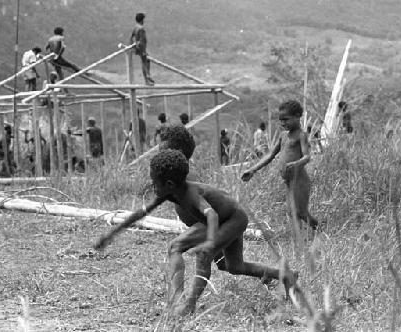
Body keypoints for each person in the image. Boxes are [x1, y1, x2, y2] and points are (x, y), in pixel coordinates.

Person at [99, 149, 298, 316]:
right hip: (229, 217)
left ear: (168, 184)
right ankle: (284, 274)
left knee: (182, 248)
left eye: (154, 182)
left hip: (231, 219)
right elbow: (140, 213)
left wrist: (210, 243)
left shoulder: (190, 194)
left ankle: (185, 304)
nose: (152, 186)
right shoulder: (170, 193)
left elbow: (211, 215)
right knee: (233, 266)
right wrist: (112, 233)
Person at [242, 100, 318, 230]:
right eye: (281, 120)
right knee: (292, 212)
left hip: (299, 180)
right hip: (289, 181)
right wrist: (252, 170)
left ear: (298, 116)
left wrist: (296, 163)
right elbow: (270, 155)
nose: (283, 123)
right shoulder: (283, 136)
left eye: (286, 119)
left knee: (301, 212)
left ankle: (317, 228)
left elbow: (307, 157)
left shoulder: (301, 135)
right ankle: (299, 240)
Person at [46, 27, 81, 92]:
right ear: (60, 32)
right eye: (62, 32)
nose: (63, 33)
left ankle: (63, 89)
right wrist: (57, 55)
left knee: (60, 73)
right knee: (70, 65)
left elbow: (47, 47)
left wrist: (50, 56)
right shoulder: (60, 38)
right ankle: (79, 71)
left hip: (51, 58)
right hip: (57, 58)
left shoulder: (50, 39)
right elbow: (60, 47)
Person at [130, 13, 154, 86]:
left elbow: (131, 37)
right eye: (143, 19)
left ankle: (147, 78)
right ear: (142, 20)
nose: (144, 21)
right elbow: (142, 40)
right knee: (145, 61)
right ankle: (147, 76)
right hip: (141, 48)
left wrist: (134, 46)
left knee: (145, 61)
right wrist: (143, 50)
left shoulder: (135, 27)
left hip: (138, 47)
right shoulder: (141, 29)